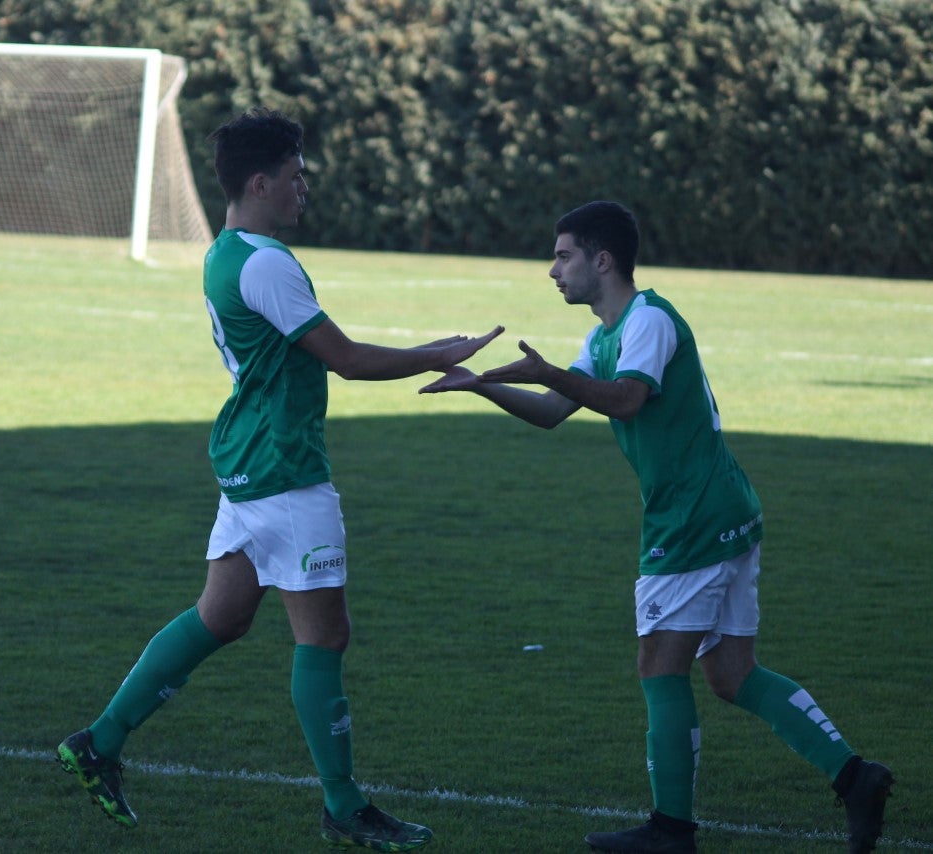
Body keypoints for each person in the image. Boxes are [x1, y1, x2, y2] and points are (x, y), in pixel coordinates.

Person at [55, 108, 503, 850]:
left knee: (221, 618)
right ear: (261, 182)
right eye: (297, 176)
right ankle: (344, 806)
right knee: (324, 636)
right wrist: (438, 352)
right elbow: (348, 358)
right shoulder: (265, 263)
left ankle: (99, 743)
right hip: (287, 473)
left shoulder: (227, 254)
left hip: (248, 465)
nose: (306, 188)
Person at [419, 201, 893, 853]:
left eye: (563, 256)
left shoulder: (649, 322)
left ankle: (671, 831)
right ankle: (857, 777)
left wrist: (550, 371)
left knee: (658, 666)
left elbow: (627, 399)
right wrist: (479, 386)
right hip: (720, 509)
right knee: (732, 675)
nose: (552, 270)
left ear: (601, 259)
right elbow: (556, 409)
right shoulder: (606, 334)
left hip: (694, 517)